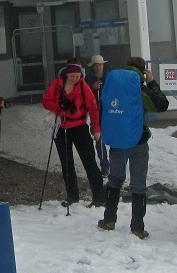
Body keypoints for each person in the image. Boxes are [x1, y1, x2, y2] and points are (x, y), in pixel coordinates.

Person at [97, 67, 151, 237]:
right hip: (139, 141)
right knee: (138, 184)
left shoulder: (108, 93)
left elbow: (101, 114)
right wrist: (152, 83)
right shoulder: (140, 93)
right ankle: (137, 227)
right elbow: (161, 104)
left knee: (114, 179)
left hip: (117, 142)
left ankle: (109, 220)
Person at [42, 63, 105, 206]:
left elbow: (93, 109)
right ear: (66, 75)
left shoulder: (84, 87)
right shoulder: (57, 85)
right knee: (67, 164)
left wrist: (96, 129)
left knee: (89, 162)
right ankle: (72, 196)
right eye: (72, 76)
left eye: (77, 76)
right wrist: (59, 107)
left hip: (80, 127)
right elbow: (46, 101)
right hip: (62, 127)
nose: (75, 79)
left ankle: (99, 196)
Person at [86, 55, 111, 175]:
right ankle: (105, 165)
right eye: (96, 65)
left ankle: (114, 164)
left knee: (112, 138)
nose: (98, 67)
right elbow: (84, 93)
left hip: (109, 111)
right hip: (95, 111)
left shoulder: (110, 75)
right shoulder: (88, 78)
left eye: (100, 64)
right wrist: (92, 87)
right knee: (99, 139)